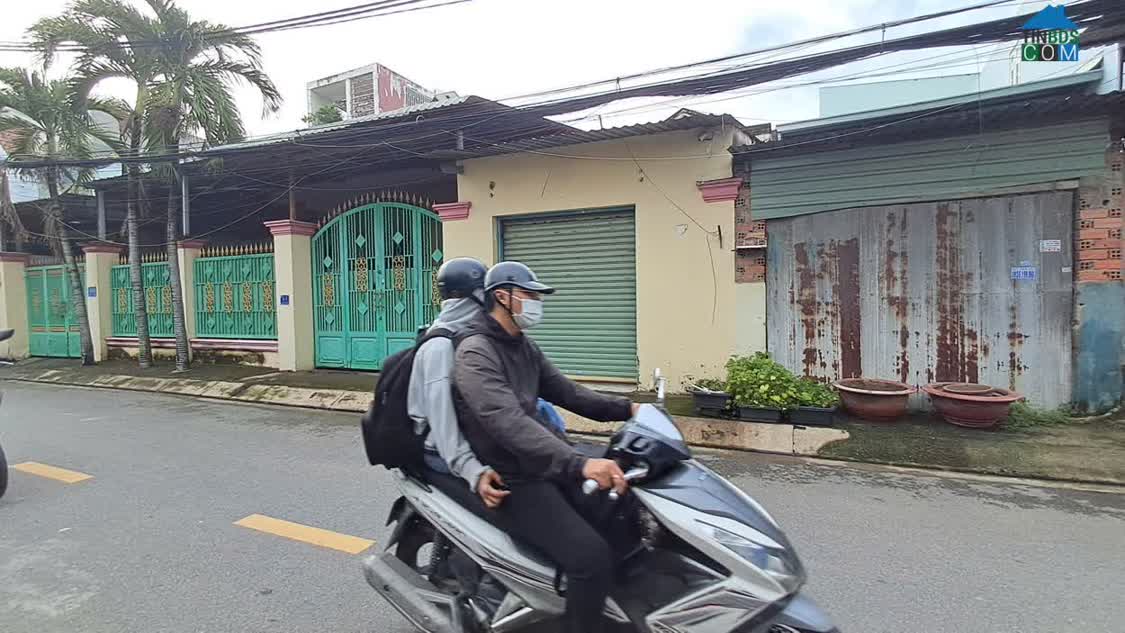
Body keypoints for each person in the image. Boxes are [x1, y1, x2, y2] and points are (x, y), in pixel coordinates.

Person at [452, 261, 639, 633]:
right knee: (590, 558)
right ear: (502, 297)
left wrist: (629, 409)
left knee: (621, 513)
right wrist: (579, 464)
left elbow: (568, 392)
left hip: (541, 461)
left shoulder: (522, 346)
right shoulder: (475, 352)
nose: (537, 302)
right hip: (513, 477)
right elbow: (507, 421)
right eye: (530, 294)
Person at [406, 257, 509, 510]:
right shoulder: (440, 347)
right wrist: (473, 472)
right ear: (472, 297)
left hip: (466, 435)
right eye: (485, 295)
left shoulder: (467, 336)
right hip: (438, 449)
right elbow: (442, 422)